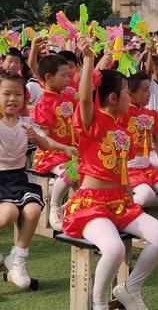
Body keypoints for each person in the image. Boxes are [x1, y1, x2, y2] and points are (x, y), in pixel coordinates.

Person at [62, 38, 158, 310]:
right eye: (125, 91)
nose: (129, 96)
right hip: (92, 204)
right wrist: (89, 60)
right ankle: (99, 303)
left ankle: (129, 289)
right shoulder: (93, 123)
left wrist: (129, 198)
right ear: (113, 98)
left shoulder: (121, 130)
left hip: (120, 203)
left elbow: (122, 172)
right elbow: (86, 96)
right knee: (114, 249)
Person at [0, 72, 57, 289]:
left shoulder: (26, 122)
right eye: (6, 93)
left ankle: (18, 259)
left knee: (33, 211)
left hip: (18, 178)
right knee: (8, 214)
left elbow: (45, 144)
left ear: (25, 98)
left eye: (18, 94)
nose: (12, 98)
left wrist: (38, 138)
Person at [30, 54, 79, 231]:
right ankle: (55, 206)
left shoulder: (68, 97)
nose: (68, 79)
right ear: (49, 77)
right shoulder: (44, 104)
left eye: (69, 75)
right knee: (72, 170)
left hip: (70, 151)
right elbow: (44, 139)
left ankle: (72, 208)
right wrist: (64, 148)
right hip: (50, 154)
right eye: (64, 75)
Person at [122, 72, 158, 207]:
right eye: (145, 90)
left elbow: (157, 140)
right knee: (147, 195)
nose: (149, 93)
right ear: (130, 93)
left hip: (147, 167)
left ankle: (133, 205)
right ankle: (119, 206)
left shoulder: (150, 114)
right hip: (129, 168)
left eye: (149, 89)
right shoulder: (122, 115)